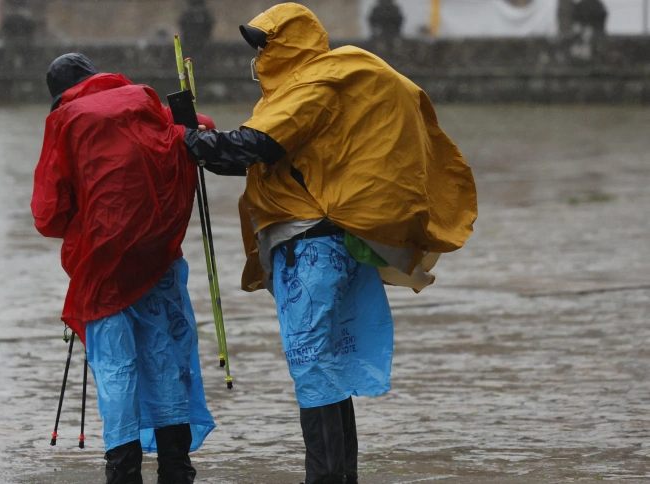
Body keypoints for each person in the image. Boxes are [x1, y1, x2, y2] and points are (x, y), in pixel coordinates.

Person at [183, 4, 477, 484]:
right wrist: (208, 145)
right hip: (334, 243)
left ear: (289, 45)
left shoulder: (312, 87)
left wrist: (193, 141)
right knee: (329, 367)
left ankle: (322, 478)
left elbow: (254, 146)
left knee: (312, 368)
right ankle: (341, 476)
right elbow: (259, 156)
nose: (258, 57)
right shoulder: (320, 83)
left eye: (265, 45)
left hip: (311, 248)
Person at [32, 53, 216, 484]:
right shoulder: (144, 99)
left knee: (116, 368)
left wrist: (84, 220)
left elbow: (47, 213)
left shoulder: (65, 120)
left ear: (59, 96)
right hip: (158, 256)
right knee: (164, 356)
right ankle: (175, 468)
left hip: (101, 266)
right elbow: (197, 128)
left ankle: (124, 473)